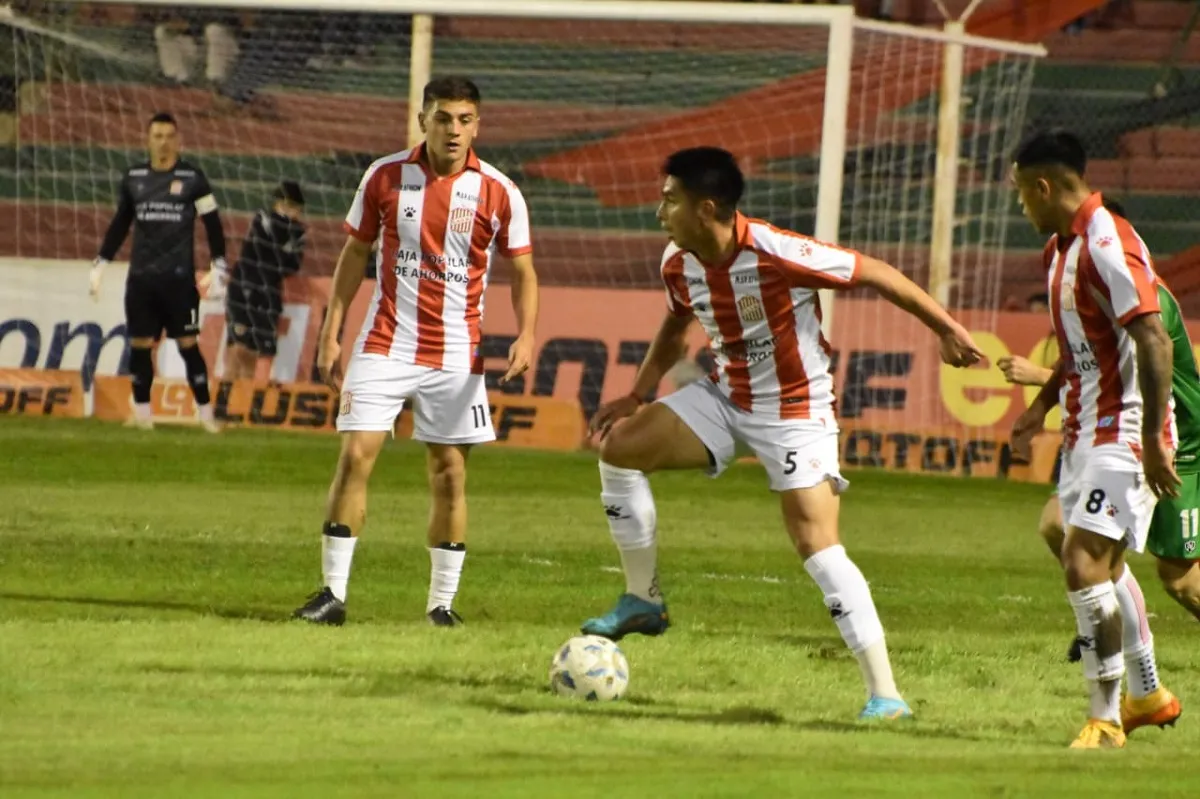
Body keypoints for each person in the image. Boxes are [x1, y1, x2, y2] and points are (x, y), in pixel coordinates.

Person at [581, 146, 983, 720]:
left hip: (797, 413)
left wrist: (946, 329)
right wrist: (638, 393)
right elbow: (676, 327)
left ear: (707, 208)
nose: (658, 211)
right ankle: (643, 600)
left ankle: (886, 694)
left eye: (670, 200)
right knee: (620, 450)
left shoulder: (776, 251)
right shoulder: (680, 261)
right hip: (727, 399)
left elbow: (876, 273)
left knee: (817, 546)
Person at [292, 76, 539, 627]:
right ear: (422, 118)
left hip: (456, 353)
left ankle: (440, 606)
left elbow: (523, 270)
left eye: (466, 119)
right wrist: (333, 330)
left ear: (477, 124)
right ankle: (331, 595)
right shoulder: (384, 177)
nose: (455, 129)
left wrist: (526, 333)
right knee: (355, 456)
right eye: (445, 117)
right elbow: (354, 254)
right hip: (386, 340)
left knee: (449, 472)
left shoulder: (500, 191)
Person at [1007, 130, 1180, 749]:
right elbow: (1084, 351)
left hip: (1124, 433)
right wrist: (1038, 408)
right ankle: (1148, 693)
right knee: (1071, 544)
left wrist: (1157, 441)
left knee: (1084, 563)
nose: (1020, 205)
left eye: (1021, 192)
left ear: (1043, 185)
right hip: (1084, 432)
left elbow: (1153, 340)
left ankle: (1106, 718)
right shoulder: (1063, 249)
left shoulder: (1109, 241)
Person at [90, 111, 228, 433]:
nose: (163, 142)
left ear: (178, 140)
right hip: (142, 280)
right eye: (157, 136)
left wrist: (218, 263)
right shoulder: (134, 178)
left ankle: (206, 415)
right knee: (140, 345)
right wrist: (101, 262)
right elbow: (121, 223)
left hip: (179, 280)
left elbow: (213, 224)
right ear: (148, 139)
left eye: (169, 136)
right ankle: (142, 415)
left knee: (188, 344)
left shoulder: (194, 178)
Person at [224, 181, 306, 381]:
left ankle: (240, 404)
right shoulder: (264, 219)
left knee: (252, 351)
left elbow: (292, 265)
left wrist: (280, 254)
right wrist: (282, 251)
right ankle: (223, 399)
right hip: (244, 288)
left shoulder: (297, 232)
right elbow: (265, 253)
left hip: (267, 292)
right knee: (238, 348)